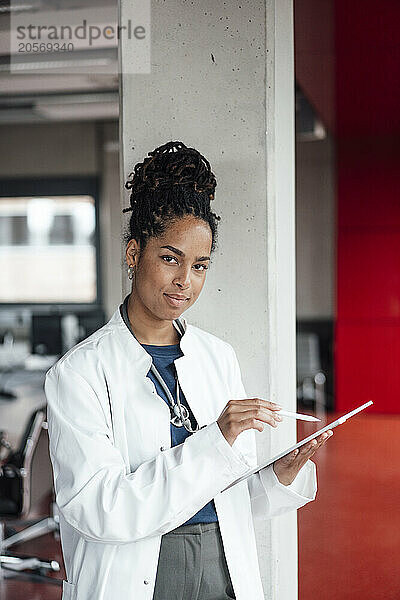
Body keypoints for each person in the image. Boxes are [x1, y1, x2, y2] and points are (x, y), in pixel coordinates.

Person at [44, 141, 333, 600]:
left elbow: (228, 497)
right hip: (140, 569)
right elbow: (100, 509)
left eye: (199, 265)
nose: (185, 281)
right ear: (134, 254)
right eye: (170, 258)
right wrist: (215, 440)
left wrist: (279, 476)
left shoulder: (218, 357)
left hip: (222, 564)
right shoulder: (80, 373)